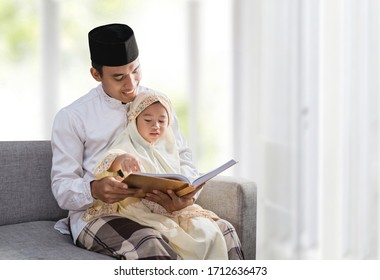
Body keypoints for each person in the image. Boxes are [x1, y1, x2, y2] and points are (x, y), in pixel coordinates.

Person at [51, 23, 244, 260]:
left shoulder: (155, 103)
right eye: (119, 77)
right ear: (96, 74)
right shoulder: (72, 117)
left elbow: (183, 156)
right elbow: (62, 187)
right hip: (100, 212)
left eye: (135, 71)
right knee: (149, 242)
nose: (131, 84)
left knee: (226, 232)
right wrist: (94, 189)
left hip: (161, 210)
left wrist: (185, 197)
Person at [82, 89, 240, 259]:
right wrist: (121, 161)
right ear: (134, 120)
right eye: (148, 120)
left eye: (162, 121)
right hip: (138, 210)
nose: (155, 126)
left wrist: (185, 193)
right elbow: (111, 165)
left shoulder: (169, 146)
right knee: (158, 239)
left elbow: (184, 172)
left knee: (217, 231)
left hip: (174, 208)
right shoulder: (127, 143)